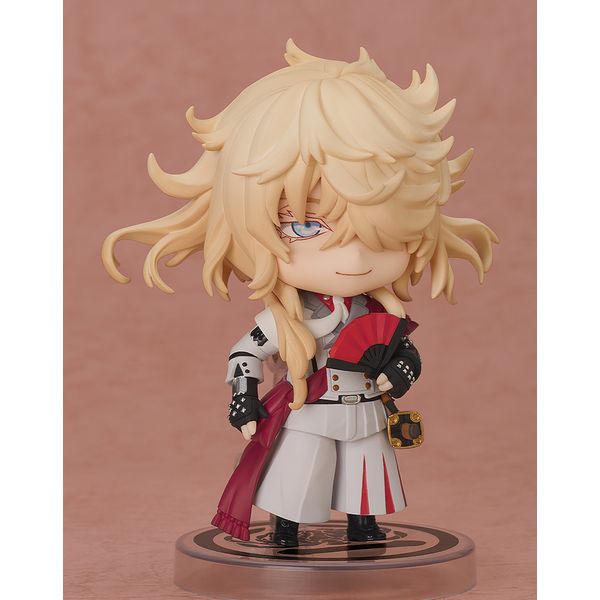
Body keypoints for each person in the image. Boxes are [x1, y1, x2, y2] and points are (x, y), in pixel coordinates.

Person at [102, 40, 497, 547]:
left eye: (384, 230)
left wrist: (402, 369)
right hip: (309, 409)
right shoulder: (295, 316)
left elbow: (404, 350)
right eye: (306, 225)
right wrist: (243, 399)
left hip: (365, 407)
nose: (352, 257)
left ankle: (364, 527)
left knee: (366, 475)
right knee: (299, 473)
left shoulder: (374, 311)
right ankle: (286, 530)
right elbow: (246, 353)